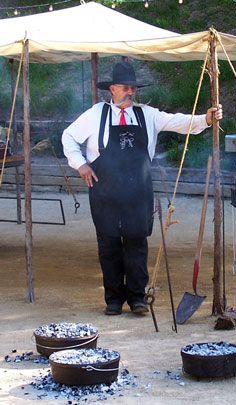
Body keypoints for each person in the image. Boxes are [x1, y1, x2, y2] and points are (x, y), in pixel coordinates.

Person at [62, 60, 222, 316]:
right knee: (109, 246)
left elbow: (177, 122)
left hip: (138, 193)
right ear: (112, 89)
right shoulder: (95, 115)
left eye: (133, 88)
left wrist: (206, 118)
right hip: (105, 192)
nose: (131, 93)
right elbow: (68, 137)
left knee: (136, 244)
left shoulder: (146, 114)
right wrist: (80, 164)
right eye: (126, 88)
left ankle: (137, 298)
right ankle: (113, 300)